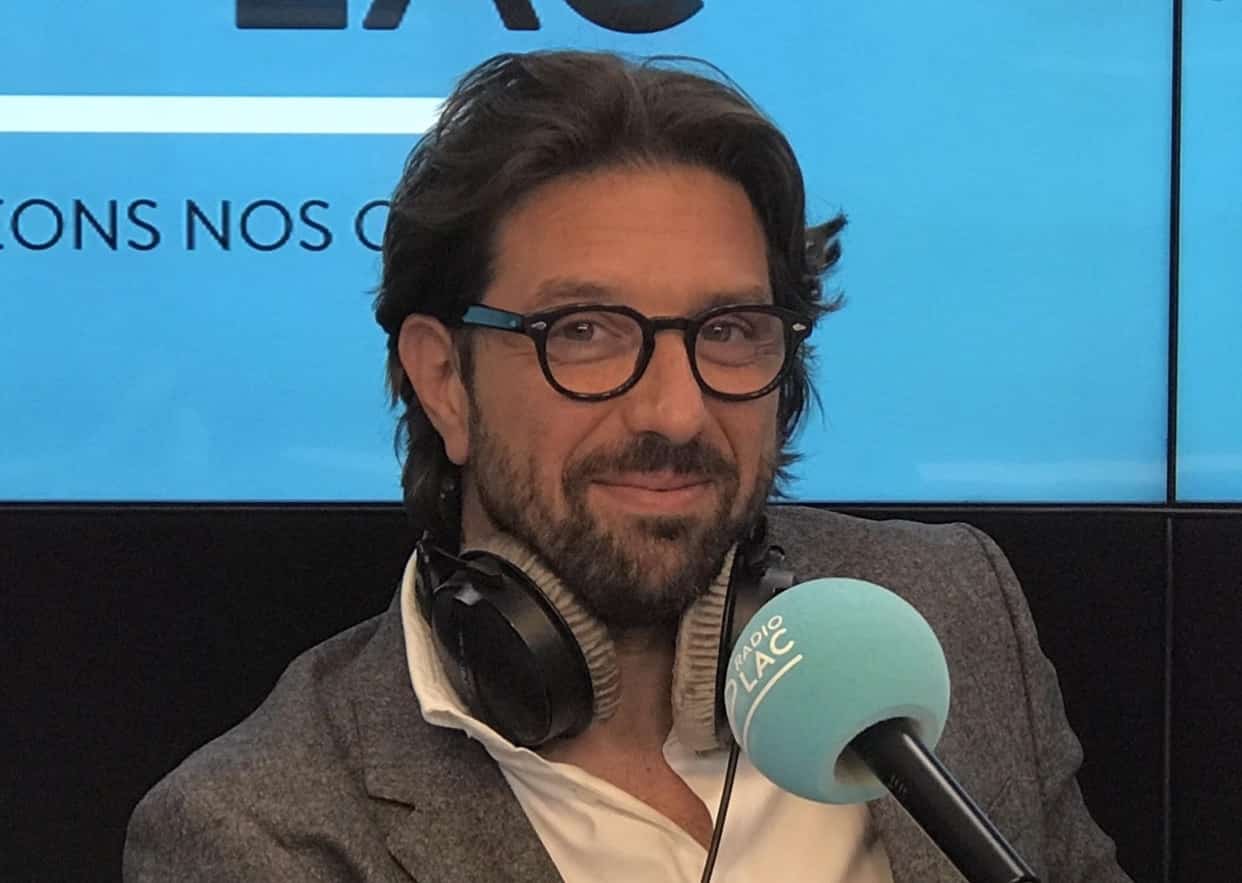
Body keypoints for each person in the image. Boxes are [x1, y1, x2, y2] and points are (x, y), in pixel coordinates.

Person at [124, 50, 1132, 882]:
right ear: (443, 381)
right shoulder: (259, 835)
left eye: (728, 330)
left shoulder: (949, 613)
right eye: (586, 330)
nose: (676, 410)